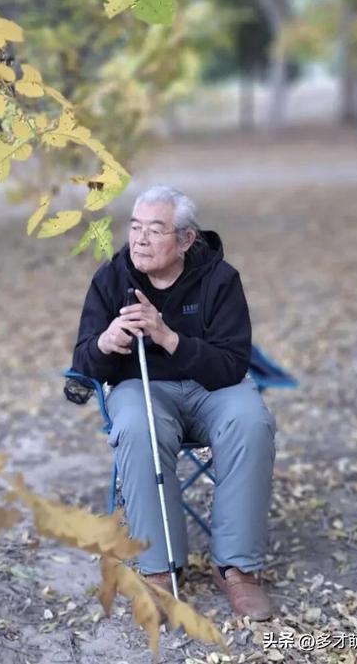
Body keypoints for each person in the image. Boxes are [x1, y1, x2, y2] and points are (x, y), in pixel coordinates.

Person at [71, 185, 276, 620]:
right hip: (143, 389)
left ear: (185, 239)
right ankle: (159, 570)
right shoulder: (112, 279)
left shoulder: (221, 281)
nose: (140, 240)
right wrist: (105, 343)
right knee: (137, 425)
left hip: (212, 390)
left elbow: (231, 365)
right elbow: (84, 362)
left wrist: (167, 336)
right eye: (135, 228)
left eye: (155, 230)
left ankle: (238, 567)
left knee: (251, 420)